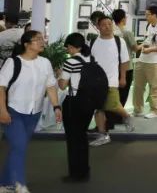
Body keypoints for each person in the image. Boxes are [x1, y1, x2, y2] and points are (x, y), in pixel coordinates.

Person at [0, 30, 61, 192]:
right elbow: (1, 87)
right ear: (26, 44)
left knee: (18, 148)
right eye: (37, 39)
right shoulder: (13, 62)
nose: (42, 42)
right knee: (19, 145)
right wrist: (2, 110)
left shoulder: (45, 63)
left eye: (42, 38)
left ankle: (5, 183)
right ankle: (20, 184)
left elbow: (50, 86)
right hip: (13, 111)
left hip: (34, 113)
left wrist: (56, 106)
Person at [90, 15, 134, 146]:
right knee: (98, 108)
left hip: (112, 81)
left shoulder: (119, 41)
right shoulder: (93, 42)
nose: (107, 27)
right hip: (95, 82)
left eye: (110, 24)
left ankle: (126, 116)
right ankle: (103, 135)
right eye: (104, 25)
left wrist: (123, 77)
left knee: (113, 105)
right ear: (98, 27)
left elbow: (125, 61)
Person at [59, 33, 94, 183]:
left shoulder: (71, 61)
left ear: (73, 47)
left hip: (73, 102)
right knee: (82, 136)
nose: (68, 50)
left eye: (68, 47)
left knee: (73, 138)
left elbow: (62, 85)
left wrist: (59, 75)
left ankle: (75, 173)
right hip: (89, 102)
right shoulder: (91, 59)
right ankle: (84, 170)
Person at [133, 5, 157, 119]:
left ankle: (154, 110)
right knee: (138, 86)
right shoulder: (149, 26)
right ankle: (138, 109)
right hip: (141, 60)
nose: (146, 17)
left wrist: (151, 50)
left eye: (148, 14)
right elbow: (147, 41)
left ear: (155, 15)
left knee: (154, 87)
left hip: (154, 62)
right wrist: (139, 47)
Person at [110, 9, 138, 107]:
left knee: (114, 93)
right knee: (123, 93)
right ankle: (119, 113)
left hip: (114, 67)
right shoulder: (127, 32)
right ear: (123, 19)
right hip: (127, 67)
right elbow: (135, 48)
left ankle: (114, 111)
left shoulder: (112, 32)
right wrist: (144, 45)